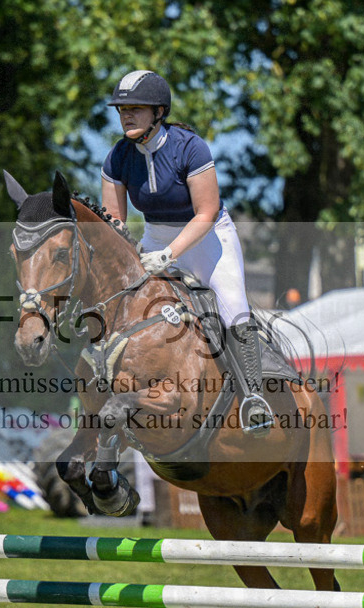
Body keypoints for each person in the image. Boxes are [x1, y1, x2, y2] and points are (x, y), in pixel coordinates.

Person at [100, 70, 272, 437]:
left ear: (159, 111)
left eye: (135, 108)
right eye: (122, 109)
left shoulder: (190, 147)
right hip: (156, 236)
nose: (126, 116)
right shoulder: (118, 157)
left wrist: (170, 253)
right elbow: (114, 224)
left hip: (207, 237)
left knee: (233, 306)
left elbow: (206, 213)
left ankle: (255, 398)